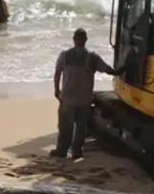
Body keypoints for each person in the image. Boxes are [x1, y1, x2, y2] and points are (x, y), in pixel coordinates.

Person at [52, 28, 121, 159]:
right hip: (84, 99)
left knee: (65, 126)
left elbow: (57, 74)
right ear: (86, 40)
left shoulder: (65, 55)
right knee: (81, 127)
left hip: (68, 98)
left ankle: (62, 150)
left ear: (74, 40)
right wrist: (120, 71)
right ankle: (77, 151)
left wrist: (56, 90)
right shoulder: (93, 58)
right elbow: (107, 70)